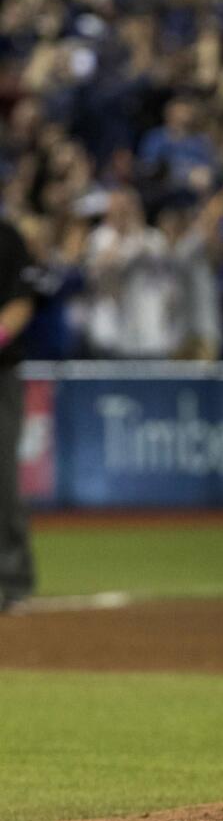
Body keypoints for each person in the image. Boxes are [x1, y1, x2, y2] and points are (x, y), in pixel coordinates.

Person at [0, 214, 37, 612]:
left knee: (2, 481)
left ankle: (13, 581)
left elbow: (21, 302)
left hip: (0, 375)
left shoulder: (7, 237)